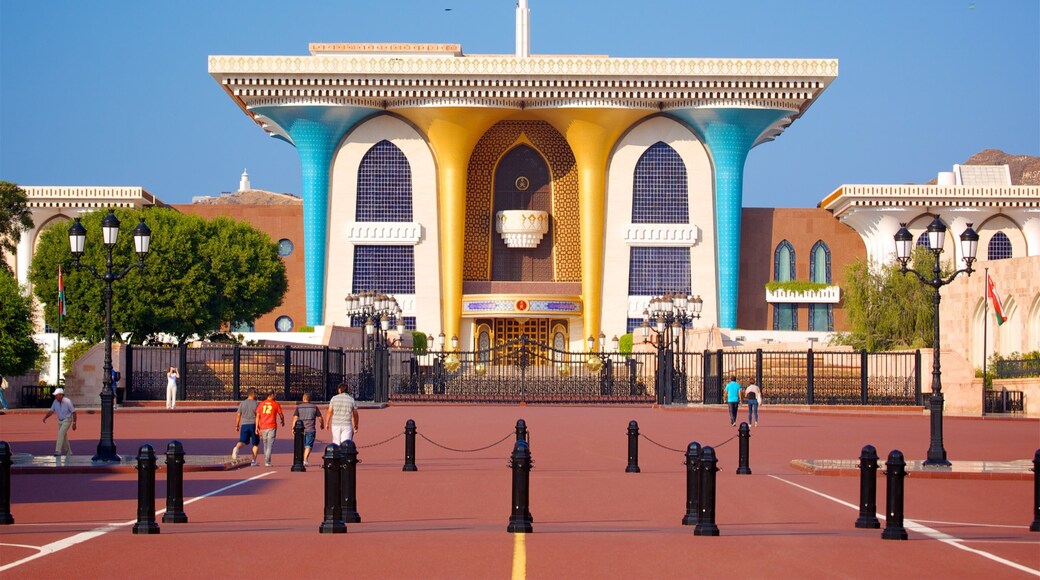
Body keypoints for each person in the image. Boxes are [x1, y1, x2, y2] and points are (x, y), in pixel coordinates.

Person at [291, 393, 325, 467]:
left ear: (303, 399)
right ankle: (305, 460)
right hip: (310, 428)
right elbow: (320, 418)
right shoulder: (314, 407)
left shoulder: (299, 407)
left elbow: (295, 418)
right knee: (308, 445)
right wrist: (322, 425)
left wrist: (293, 428)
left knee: (301, 445)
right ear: (310, 399)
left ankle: (301, 460)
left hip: (300, 429)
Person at [42, 388, 77, 456]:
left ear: (61, 395)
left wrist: (74, 423)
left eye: (57, 395)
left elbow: (74, 412)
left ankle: (58, 450)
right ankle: (69, 452)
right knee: (64, 437)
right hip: (60, 421)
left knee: (60, 433)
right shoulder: (55, 402)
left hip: (67, 419)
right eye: (55, 395)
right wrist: (45, 417)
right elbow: (51, 411)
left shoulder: (67, 401)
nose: (55, 396)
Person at [232, 388, 261, 465]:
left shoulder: (243, 403)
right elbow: (258, 416)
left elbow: (238, 414)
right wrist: (259, 427)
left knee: (243, 441)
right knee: (255, 444)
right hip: (254, 424)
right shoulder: (256, 404)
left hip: (244, 424)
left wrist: (237, 425)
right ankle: (253, 461)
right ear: (253, 394)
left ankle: (236, 449)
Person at [256, 391, 285, 467]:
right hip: (272, 426)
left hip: (263, 426)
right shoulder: (275, 404)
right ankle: (267, 461)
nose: (275, 396)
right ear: (271, 395)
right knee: (269, 445)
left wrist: (257, 427)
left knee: (265, 444)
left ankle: (266, 460)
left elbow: (257, 416)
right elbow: (281, 414)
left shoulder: (261, 404)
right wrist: (282, 420)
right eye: (274, 394)